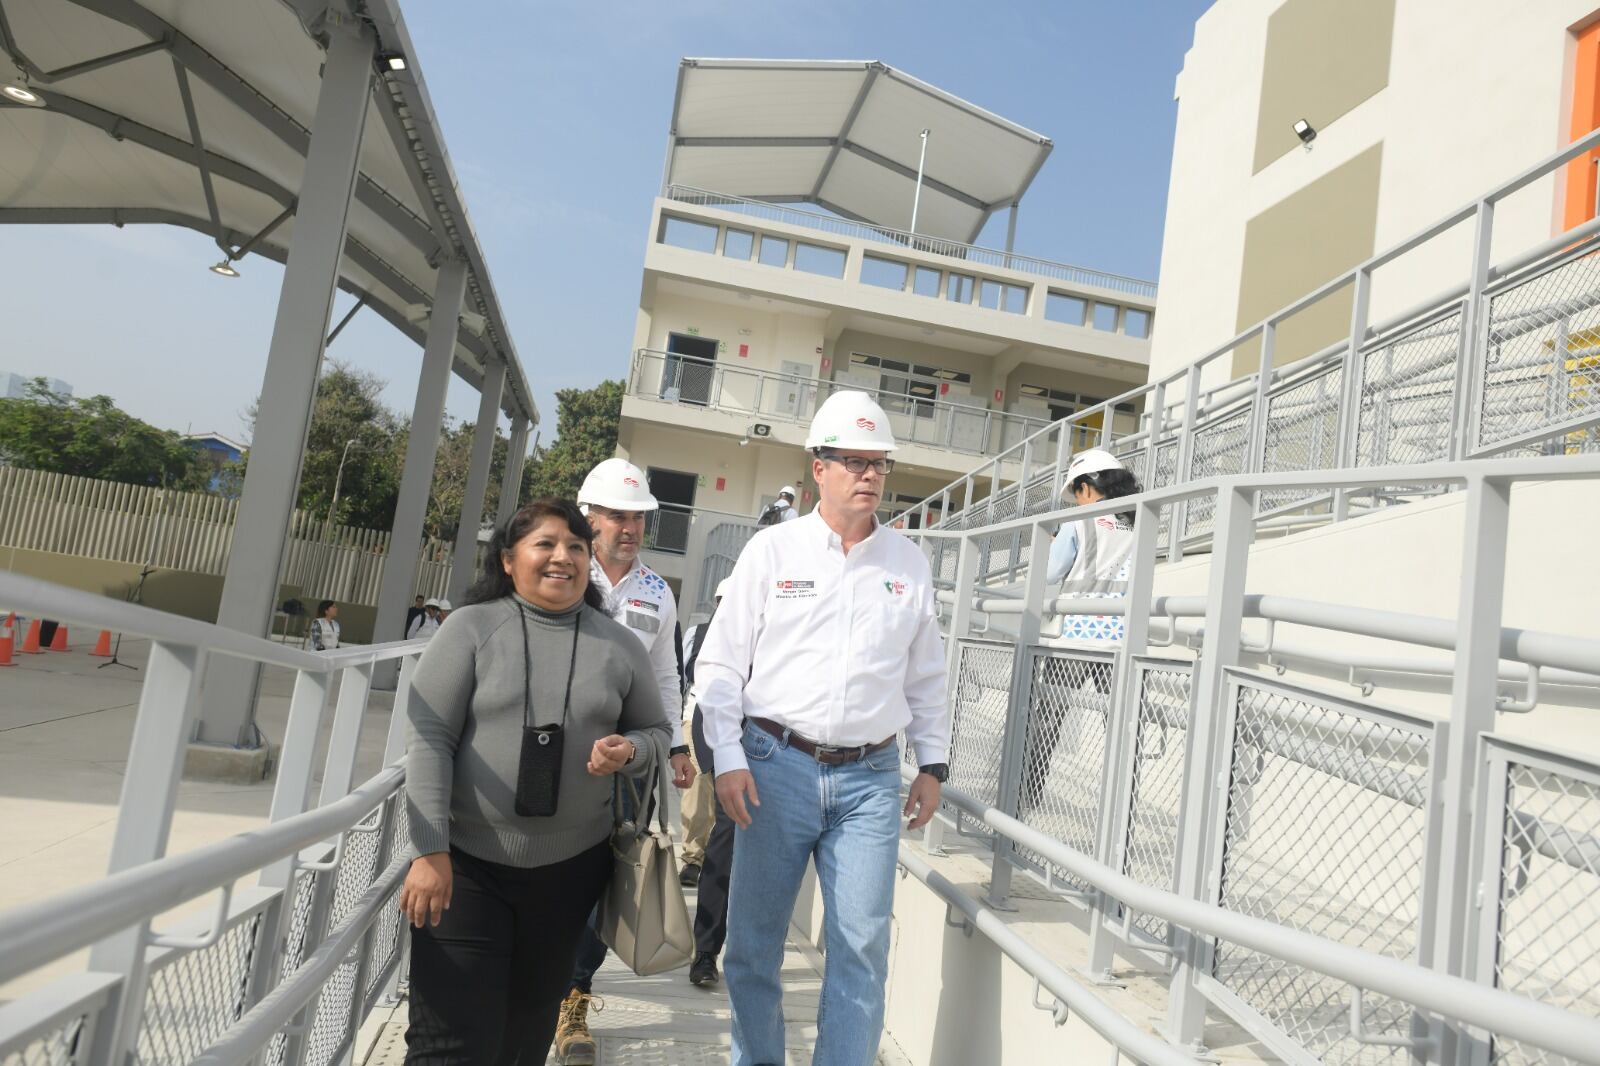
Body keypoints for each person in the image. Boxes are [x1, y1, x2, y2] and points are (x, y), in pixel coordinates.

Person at [696, 390, 950, 1066]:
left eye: (879, 464)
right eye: (855, 462)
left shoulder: (908, 563)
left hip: (870, 780)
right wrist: (726, 756)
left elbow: (927, 675)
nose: (869, 476)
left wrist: (934, 763)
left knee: (862, 946)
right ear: (820, 468)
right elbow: (719, 665)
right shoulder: (773, 553)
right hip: (773, 767)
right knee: (752, 944)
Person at [400, 499, 670, 1065]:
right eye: (544, 544)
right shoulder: (470, 630)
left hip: (570, 873)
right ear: (507, 560)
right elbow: (429, 739)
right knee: (446, 1043)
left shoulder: (618, 646)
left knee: (523, 1040)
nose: (562, 557)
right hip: (466, 868)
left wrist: (631, 750)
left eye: (575, 545)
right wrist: (430, 850)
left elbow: (656, 731)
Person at [554, 457, 696, 1066]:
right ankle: (527, 984)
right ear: (589, 516)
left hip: (625, 760)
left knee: (602, 879)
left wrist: (677, 747)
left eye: (638, 516)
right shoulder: (559, 573)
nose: (629, 526)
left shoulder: (657, 594)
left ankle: (573, 1000)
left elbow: (666, 675)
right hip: (552, 752)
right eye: (616, 514)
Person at [1022, 448, 1143, 813]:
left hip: (1076, 635)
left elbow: (1048, 573)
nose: (1076, 500)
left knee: (1047, 719)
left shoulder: (1079, 522)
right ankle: (1121, 808)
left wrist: (1048, 543)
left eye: (1076, 492)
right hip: (1120, 638)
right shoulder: (1136, 522)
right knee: (1123, 724)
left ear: (1088, 487)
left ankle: (1026, 797)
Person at [683, 579, 736, 988]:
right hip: (723, 733)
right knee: (726, 838)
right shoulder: (716, 633)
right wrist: (720, 767)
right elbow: (705, 700)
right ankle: (705, 952)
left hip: (784, 750)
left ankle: (751, 955)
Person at [677, 580, 728, 891]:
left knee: (723, 791)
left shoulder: (755, 638)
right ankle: (693, 859)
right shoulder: (696, 634)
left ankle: (717, 857)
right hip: (695, 714)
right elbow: (680, 675)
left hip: (738, 723)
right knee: (697, 791)